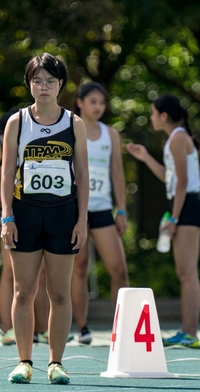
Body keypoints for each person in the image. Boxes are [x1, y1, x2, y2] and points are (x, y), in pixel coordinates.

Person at [1, 53, 88, 384]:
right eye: (37, 81)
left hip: (63, 214)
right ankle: (24, 361)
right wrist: (7, 216)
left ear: (61, 85)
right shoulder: (17, 122)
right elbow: (7, 172)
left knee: (60, 293)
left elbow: (81, 172)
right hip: (25, 212)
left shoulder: (73, 123)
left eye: (50, 81)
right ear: (29, 84)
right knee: (23, 291)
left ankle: (56, 363)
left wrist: (82, 221)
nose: (44, 87)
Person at [126, 93, 200, 348]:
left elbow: (182, 182)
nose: (151, 117)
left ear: (164, 115)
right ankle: (188, 331)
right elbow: (169, 177)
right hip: (186, 206)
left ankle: (190, 333)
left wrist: (173, 217)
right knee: (185, 272)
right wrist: (145, 157)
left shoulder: (178, 137)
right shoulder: (176, 138)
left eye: (153, 112)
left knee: (187, 273)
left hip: (189, 207)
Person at [0, 108, 50, 345]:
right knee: (10, 272)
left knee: (41, 273)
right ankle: (7, 329)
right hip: (11, 213)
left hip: (35, 209)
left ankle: (41, 329)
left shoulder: (39, 139)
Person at [71, 82, 129, 345]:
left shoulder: (111, 134)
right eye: (93, 101)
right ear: (80, 102)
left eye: (102, 102)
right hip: (75, 209)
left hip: (103, 208)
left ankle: (122, 328)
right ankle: (82, 328)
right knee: (79, 268)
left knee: (118, 269)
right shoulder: (69, 128)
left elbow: (117, 173)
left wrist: (122, 209)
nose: (98, 107)